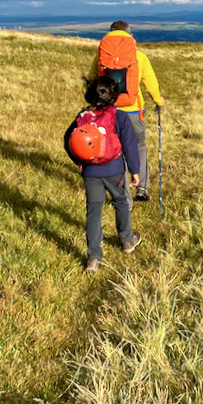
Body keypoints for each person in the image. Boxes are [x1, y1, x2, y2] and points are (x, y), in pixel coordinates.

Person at [64, 76, 143, 274]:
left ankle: (93, 258)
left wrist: (81, 163)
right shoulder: (119, 116)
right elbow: (130, 145)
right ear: (114, 95)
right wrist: (135, 171)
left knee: (93, 211)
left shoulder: (82, 117)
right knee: (121, 202)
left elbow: (68, 140)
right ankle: (127, 240)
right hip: (114, 169)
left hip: (90, 172)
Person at [90, 20, 165, 204]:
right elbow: (150, 84)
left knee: (116, 152)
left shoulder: (101, 56)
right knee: (138, 146)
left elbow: (93, 80)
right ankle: (142, 188)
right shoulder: (138, 56)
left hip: (110, 112)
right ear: (130, 35)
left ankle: (125, 200)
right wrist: (158, 101)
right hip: (132, 111)